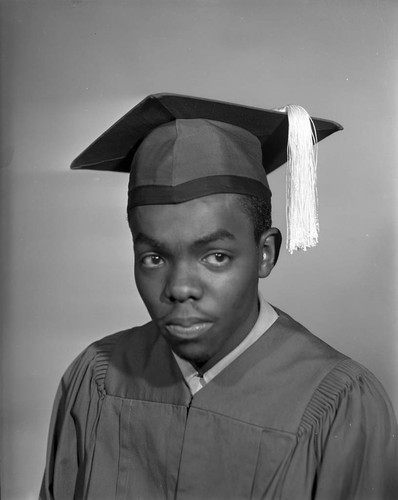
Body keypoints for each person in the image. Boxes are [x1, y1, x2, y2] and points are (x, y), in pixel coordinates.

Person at [40, 94, 398, 499]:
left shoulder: (339, 401)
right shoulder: (97, 376)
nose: (180, 287)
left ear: (265, 254)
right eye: (153, 257)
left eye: (215, 257)